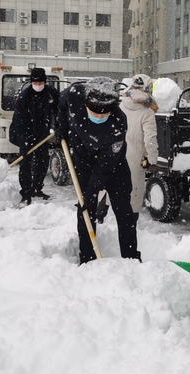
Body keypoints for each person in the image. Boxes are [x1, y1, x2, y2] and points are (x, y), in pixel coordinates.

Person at [55, 77, 141, 264]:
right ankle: (87, 258)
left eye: (105, 114)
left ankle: (131, 258)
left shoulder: (118, 123)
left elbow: (105, 166)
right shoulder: (75, 95)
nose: (100, 118)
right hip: (83, 162)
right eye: (95, 113)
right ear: (86, 102)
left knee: (124, 213)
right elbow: (61, 105)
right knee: (85, 211)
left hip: (114, 167)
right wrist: (61, 126)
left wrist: (91, 191)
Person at [9, 67, 59, 205]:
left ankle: (37, 188)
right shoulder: (24, 96)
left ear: (44, 82)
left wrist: (59, 126)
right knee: (26, 163)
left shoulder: (51, 93)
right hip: (26, 133)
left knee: (42, 162)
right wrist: (24, 143)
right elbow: (19, 122)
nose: (38, 85)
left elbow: (59, 110)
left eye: (40, 82)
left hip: (43, 134)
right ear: (31, 82)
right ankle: (26, 192)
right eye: (35, 83)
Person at [119, 74, 159, 217]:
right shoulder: (147, 112)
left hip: (118, 153)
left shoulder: (121, 105)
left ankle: (104, 211)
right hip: (135, 158)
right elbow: (150, 139)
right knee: (134, 193)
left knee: (116, 187)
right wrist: (152, 159)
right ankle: (130, 220)